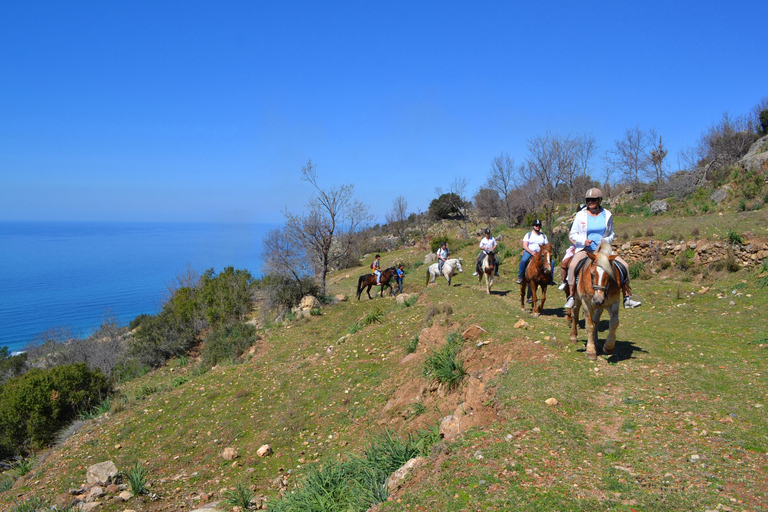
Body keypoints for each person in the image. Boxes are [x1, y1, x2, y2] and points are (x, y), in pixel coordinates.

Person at [564, 188, 642, 309]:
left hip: (603, 251)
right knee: (573, 266)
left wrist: (606, 240)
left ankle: (627, 297)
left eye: (593, 200)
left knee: (625, 266)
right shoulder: (580, 215)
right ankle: (572, 297)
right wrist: (583, 241)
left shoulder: (607, 215)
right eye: (588, 200)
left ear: (599, 200)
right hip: (586, 250)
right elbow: (573, 234)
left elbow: (611, 233)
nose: (590, 202)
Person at [516, 219, 555, 284]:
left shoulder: (543, 235)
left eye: (539, 225)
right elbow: (525, 246)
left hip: (541, 254)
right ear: (533, 226)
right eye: (536, 225)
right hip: (530, 252)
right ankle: (521, 277)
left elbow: (546, 245)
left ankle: (550, 279)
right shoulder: (528, 235)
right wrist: (531, 252)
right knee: (523, 260)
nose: (538, 227)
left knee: (552, 262)